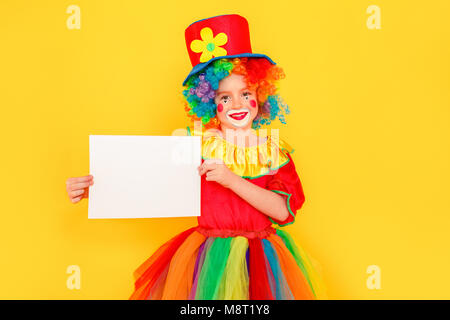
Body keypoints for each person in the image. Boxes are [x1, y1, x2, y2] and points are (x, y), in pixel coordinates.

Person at [66, 14, 327, 300]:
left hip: (263, 260)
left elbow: (281, 211)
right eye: (224, 98)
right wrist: (97, 189)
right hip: (207, 261)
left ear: (260, 95)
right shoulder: (196, 145)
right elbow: (151, 182)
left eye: (245, 93)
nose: (236, 104)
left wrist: (230, 179)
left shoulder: (274, 151)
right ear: (208, 103)